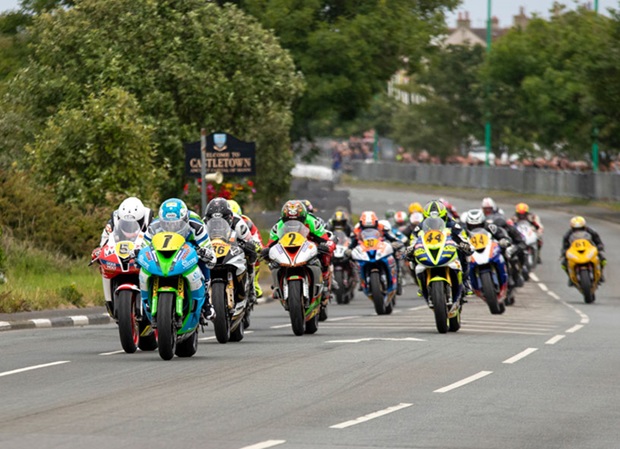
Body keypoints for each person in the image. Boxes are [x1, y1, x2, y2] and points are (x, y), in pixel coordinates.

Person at [141, 198, 217, 324]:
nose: (172, 228)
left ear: (185, 220)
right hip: (163, 252)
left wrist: (205, 253)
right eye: (167, 224)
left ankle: (206, 302)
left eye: (177, 224)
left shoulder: (196, 226)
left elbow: (210, 253)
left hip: (188, 249)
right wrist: (139, 253)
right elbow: (143, 246)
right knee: (142, 266)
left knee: (204, 262)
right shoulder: (154, 226)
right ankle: (146, 299)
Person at [262, 200, 335, 315]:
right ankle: (278, 287)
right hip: (288, 252)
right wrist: (265, 251)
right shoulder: (278, 225)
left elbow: (327, 240)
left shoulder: (312, 221)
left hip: (309, 248)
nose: (293, 224)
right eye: (289, 221)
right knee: (272, 263)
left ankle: (325, 280)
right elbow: (270, 244)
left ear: (303, 217)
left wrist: (327, 246)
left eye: (297, 221)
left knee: (325, 255)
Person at [405, 200, 473, 298]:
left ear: (444, 216)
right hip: (430, 246)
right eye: (430, 219)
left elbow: (462, 235)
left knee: (464, 253)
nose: (435, 221)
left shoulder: (452, 223)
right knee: (412, 258)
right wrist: (411, 248)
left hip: (449, 245)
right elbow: (413, 238)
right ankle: (422, 284)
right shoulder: (421, 225)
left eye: (439, 218)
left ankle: (466, 281)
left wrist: (464, 244)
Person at [204, 197, 258, 305]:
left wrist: (248, 245)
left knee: (250, 255)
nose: (218, 224)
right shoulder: (203, 224)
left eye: (222, 220)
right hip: (213, 252)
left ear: (229, 217)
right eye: (213, 221)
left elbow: (250, 241)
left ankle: (251, 287)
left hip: (232, 250)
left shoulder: (239, 223)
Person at [227, 199, 265, 299]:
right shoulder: (216, 222)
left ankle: (254, 283)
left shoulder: (246, 222)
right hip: (224, 249)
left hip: (241, 248)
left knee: (254, 255)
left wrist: (257, 245)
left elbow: (256, 236)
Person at [560, 216, 606, 285]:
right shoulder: (568, 234)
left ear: (584, 226)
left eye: (580, 228)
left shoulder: (591, 231)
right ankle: (571, 277)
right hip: (575, 251)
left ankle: (601, 274)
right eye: (575, 229)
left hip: (589, 250)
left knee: (602, 259)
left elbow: (598, 241)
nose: (578, 231)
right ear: (572, 228)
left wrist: (600, 246)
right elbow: (565, 246)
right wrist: (564, 252)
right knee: (564, 263)